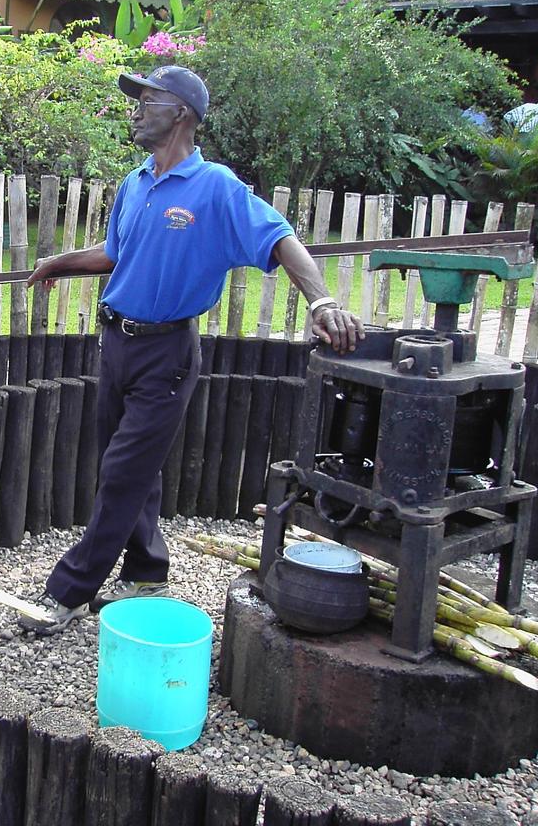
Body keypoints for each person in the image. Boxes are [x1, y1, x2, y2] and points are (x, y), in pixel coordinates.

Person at [18, 65, 364, 635]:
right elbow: (116, 254)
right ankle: (149, 569)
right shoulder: (135, 182)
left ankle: (70, 591)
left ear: (181, 112)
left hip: (167, 354)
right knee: (131, 466)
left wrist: (322, 300)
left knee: (122, 472)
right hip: (116, 343)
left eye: (147, 100)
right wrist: (59, 263)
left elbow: (279, 238)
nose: (135, 109)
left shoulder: (216, 187)